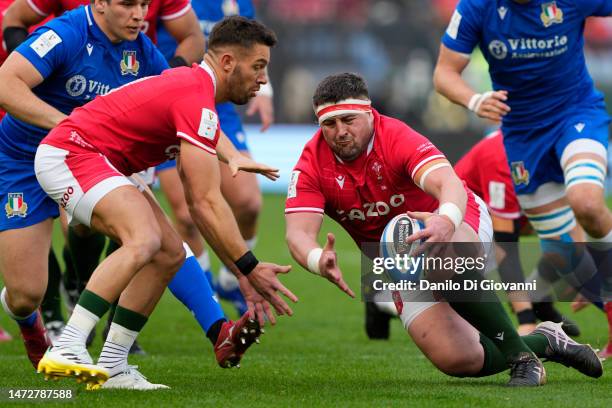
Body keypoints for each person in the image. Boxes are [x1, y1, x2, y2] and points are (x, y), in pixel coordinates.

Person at [285, 72, 602, 386]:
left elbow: (448, 182)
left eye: (349, 120)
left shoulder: (395, 136)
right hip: (397, 264)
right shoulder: (312, 163)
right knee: (459, 359)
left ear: (369, 112)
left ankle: (523, 362)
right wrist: (316, 259)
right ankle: (546, 341)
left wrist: (445, 219)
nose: (340, 132)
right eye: (329, 124)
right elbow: (298, 233)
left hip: (457, 222)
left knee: (438, 254)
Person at [34, 16, 297, 390]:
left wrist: (242, 271)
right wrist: (248, 268)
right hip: (73, 153)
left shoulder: (195, 94)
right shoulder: (196, 98)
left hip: (105, 163)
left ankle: (113, 366)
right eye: (258, 66)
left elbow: (198, 201)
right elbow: (205, 201)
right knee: (144, 239)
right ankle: (68, 344)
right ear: (226, 63)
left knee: (170, 253)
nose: (263, 79)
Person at [0, 2, 251, 383]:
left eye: (145, 5)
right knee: (24, 293)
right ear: (99, 3)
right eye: (128, 4)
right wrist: (70, 126)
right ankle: (35, 324)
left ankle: (209, 329)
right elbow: (5, 83)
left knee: (156, 238)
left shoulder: (143, 50)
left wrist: (230, 153)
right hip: (25, 159)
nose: (139, 14)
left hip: (95, 156)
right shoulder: (67, 33)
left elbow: (179, 97)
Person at [433, 0, 612, 357]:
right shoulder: (476, 8)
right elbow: (443, 73)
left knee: (587, 202)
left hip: (576, 113)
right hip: (523, 137)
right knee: (563, 251)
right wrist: (474, 100)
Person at [154, 0, 273, 316]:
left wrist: (265, 92)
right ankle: (207, 304)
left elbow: (255, 45)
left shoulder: (237, 4)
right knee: (186, 212)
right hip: (171, 98)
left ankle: (231, 282)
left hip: (220, 102)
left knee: (249, 202)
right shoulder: (165, 5)